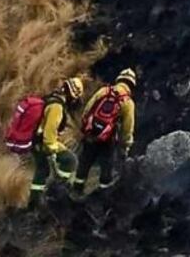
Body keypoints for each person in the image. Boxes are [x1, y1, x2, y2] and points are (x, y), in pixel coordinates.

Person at [73, 68, 137, 194]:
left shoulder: (104, 91)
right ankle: (102, 193)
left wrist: (86, 127)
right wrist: (126, 146)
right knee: (106, 166)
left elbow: (88, 109)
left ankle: (76, 189)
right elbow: (127, 128)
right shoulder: (128, 102)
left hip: (91, 134)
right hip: (108, 140)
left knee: (85, 162)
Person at [29, 77, 84, 208]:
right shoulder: (57, 107)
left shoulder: (50, 98)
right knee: (70, 160)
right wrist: (53, 152)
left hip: (35, 140)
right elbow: (49, 133)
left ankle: (33, 203)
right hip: (42, 143)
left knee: (42, 170)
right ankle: (56, 191)